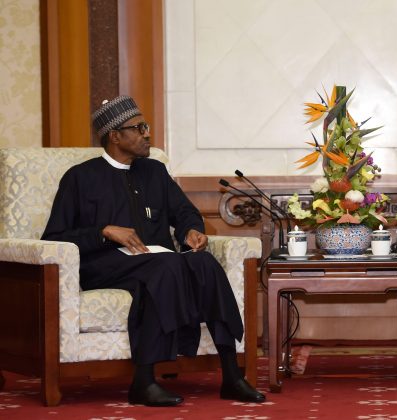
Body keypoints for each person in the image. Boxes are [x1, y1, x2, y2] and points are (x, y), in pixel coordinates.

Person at [41, 96, 265, 407]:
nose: (147, 134)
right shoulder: (80, 177)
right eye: (139, 128)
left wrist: (190, 230)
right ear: (115, 136)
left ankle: (232, 376)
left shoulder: (155, 171)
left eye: (145, 127)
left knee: (204, 265)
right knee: (167, 267)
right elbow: (54, 236)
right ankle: (144, 381)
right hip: (104, 264)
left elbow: (184, 212)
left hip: (157, 262)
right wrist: (104, 232)